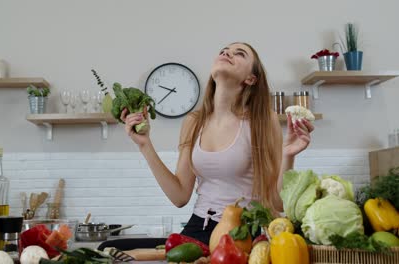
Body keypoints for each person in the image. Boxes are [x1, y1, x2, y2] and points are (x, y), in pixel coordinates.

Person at [120, 42, 314, 244]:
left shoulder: (263, 120)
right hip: (200, 226)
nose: (227, 53)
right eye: (224, 51)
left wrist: (288, 155)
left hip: (247, 230)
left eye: (239, 54)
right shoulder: (194, 122)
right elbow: (179, 197)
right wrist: (144, 145)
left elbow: (278, 202)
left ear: (251, 78)